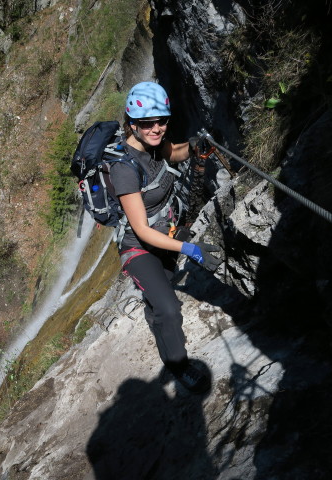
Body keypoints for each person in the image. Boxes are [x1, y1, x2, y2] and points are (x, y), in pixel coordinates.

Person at [109, 81, 220, 393]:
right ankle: (178, 365)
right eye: (148, 123)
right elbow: (141, 230)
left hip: (166, 233)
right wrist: (190, 247)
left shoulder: (155, 143)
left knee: (161, 295)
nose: (157, 128)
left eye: (162, 120)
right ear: (133, 123)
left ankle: (153, 311)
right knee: (170, 309)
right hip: (139, 248)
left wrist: (196, 145)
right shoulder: (124, 168)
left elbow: (176, 152)